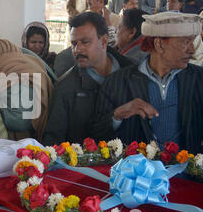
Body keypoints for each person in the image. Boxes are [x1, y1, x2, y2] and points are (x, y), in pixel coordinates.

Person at [90, 12, 203, 156]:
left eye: (192, 42)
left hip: (186, 176)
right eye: (186, 42)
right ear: (159, 44)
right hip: (138, 176)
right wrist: (117, 115)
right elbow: (97, 134)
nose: (192, 50)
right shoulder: (118, 82)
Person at [42, 12, 134, 146]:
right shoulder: (65, 87)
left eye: (85, 42)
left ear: (103, 41)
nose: (77, 49)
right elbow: (52, 142)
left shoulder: (133, 74)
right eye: (73, 43)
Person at [53, 0, 120, 78]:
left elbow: (113, 45)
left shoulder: (115, 19)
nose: (78, 49)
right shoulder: (82, 17)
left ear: (101, 1)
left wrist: (108, 22)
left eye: (85, 41)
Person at [166, 0, 203, 66]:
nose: (169, 3)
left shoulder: (188, 22)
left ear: (181, 5)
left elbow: (197, 53)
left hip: (189, 64)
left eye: (173, 1)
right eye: (168, 1)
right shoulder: (159, 21)